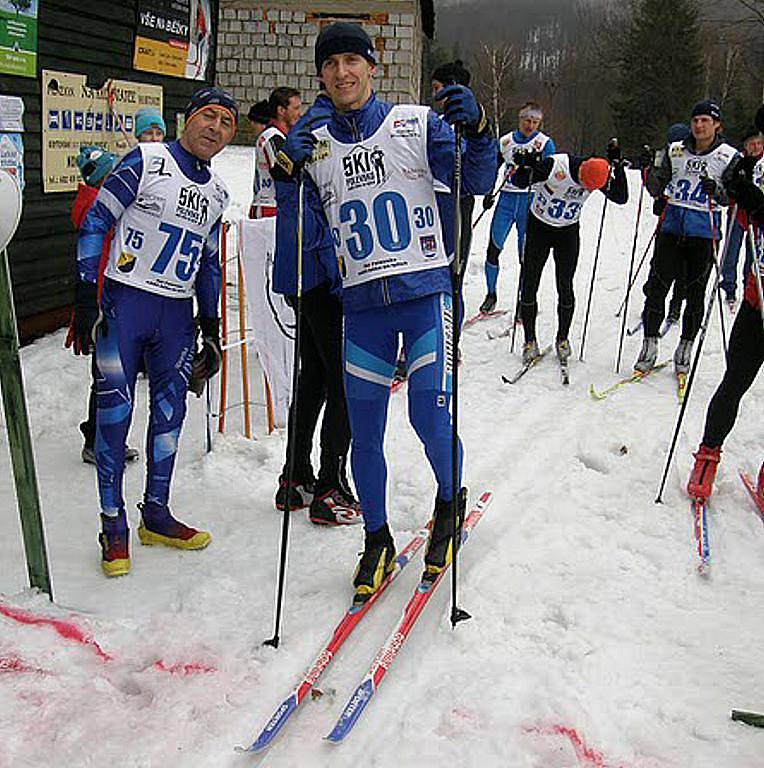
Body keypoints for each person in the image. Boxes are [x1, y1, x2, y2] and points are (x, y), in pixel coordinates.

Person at [273, 22, 497, 602]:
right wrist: (290, 180)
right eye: (331, 64)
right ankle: (376, 538)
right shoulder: (314, 142)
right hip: (363, 309)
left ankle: (450, 502)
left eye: (353, 60)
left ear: (372, 67)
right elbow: (301, 246)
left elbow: (477, 178)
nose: (342, 73)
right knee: (364, 433)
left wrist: (477, 128)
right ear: (320, 74)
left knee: (429, 416)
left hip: (426, 297)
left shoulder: (414, 124)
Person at [71, 87, 236, 577]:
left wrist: (211, 325)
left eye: (227, 123)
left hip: (176, 317)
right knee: (113, 416)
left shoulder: (218, 193)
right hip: (126, 303)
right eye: (208, 116)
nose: (216, 128)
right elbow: (96, 221)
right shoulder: (147, 159)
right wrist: (84, 295)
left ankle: (156, 514)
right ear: (187, 119)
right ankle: (113, 524)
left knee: (170, 417)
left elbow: (208, 263)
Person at [264, 83, 361, 527]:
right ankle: (329, 484)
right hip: (323, 273)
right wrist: (336, 268)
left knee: (315, 371)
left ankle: (296, 474)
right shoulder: (328, 129)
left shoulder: (305, 127)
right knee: (342, 379)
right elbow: (315, 207)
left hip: (300, 271)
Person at [687, 105, 764, 500]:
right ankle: (707, 453)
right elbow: (745, 206)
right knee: (735, 380)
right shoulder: (758, 164)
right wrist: (739, 191)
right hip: (758, 300)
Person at [636, 100, 738, 376]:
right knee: (657, 287)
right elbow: (657, 187)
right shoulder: (675, 150)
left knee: (695, 293)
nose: (699, 125)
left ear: (716, 125)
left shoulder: (728, 156)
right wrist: (649, 170)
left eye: (705, 120)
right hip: (671, 228)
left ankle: (685, 347)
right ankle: (649, 343)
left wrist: (716, 189)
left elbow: (732, 197)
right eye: (696, 120)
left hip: (703, 233)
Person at [512, 147, 628, 364]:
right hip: (539, 228)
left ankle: (562, 338)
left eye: (589, 188)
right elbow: (520, 182)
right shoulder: (556, 165)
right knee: (530, 282)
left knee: (565, 284)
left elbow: (620, 197)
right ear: (582, 169)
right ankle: (529, 339)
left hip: (567, 232)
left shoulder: (597, 173)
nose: (584, 189)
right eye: (583, 183)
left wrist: (619, 168)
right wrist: (526, 165)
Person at [66, 145, 141, 466]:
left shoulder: (98, 203)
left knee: (116, 374)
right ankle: (97, 441)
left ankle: (106, 437)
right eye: (111, 175)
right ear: (99, 179)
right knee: (107, 376)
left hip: (111, 299)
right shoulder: (93, 208)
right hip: (100, 304)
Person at [479, 102, 556, 314]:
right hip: (506, 200)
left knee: (526, 255)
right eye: (527, 121)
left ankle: (525, 299)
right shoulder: (505, 141)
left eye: (535, 122)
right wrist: (488, 193)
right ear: (520, 119)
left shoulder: (545, 143)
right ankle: (491, 294)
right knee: (493, 248)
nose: (530, 126)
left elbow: (552, 173)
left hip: (529, 201)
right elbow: (492, 168)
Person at [720, 126, 764, 309]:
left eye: (758, 143)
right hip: (738, 213)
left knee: (753, 252)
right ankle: (729, 286)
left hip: (758, 215)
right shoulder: (740, 161)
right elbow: (728, 182)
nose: (755, 147)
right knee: (732, 250)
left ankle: (751, 285)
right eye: (751, 144)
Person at [249, 88, 302, 220]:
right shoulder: (272, 137)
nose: (299, 114)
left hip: (278, 206)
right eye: (295, 109)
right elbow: (284, 171)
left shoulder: (282, 137)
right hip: (269, 207)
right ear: (281, 111)